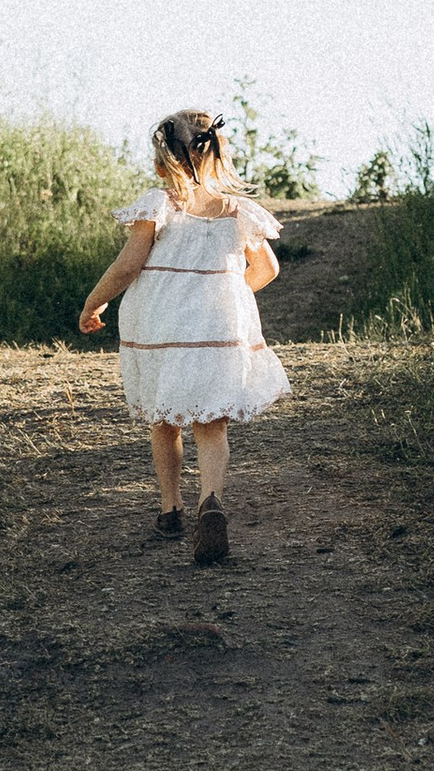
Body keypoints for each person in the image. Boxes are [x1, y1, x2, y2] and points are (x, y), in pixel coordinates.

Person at [77, 107, 289, 564]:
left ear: (161, 163)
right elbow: (267, 269)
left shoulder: (160, 204)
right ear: (216, 155)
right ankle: (209, 503)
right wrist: (222, 293)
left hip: (163, 328)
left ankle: (169, 510)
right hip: (216, 331)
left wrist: (93, 301)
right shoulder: (238, 211)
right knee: (211, 426)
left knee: (164, 417)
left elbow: (128, 265)